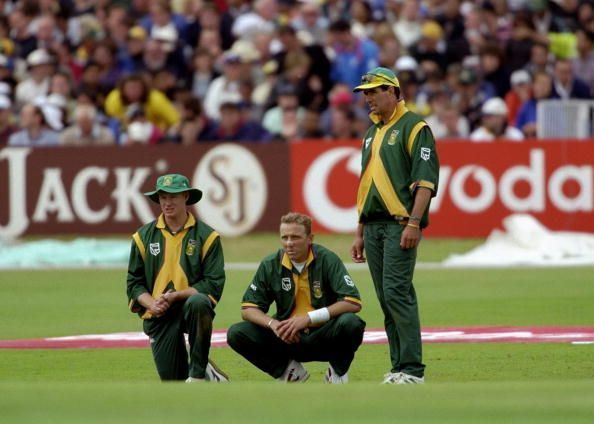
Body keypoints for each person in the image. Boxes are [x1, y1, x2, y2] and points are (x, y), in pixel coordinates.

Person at [350, 67, 440, 385]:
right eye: (366, 93)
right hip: (373, 226)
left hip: (400, 224)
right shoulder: (371, 133)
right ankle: (399, 366)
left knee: (397, 292)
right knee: (386, 298)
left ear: (393, 91)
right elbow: (365, 186)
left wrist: (414, 222)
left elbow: (426, 181)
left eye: (374, 91)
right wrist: (359, 231)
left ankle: (412, 370)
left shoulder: (415, 127)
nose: (368, 99)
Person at [227, 212, 365, 384]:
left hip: (323, 336)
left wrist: (308, 319)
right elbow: (248, 309)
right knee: (237, 333)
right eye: (284, 237)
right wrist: (274, 325)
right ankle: (289, 372)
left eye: (295, 237)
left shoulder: (327, 259)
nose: (289, 243)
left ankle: (337, 372)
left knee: (351, 323)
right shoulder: (270, 264)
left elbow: (352, 302)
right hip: (287, 338)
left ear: (310, 238)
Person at [126, 174, 228, 383]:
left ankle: (199, 373)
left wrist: (176, 296)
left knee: (199, 302)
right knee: (174, 383)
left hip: (189, 307)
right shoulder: (143, 236)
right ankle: (209, 372)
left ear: (186, 197)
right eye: (162, 197)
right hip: (159, 314)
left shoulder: (207, 237)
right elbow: (134, 283)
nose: (167, 202)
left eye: (173, 196)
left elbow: (213, 283)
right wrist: (152, 304)